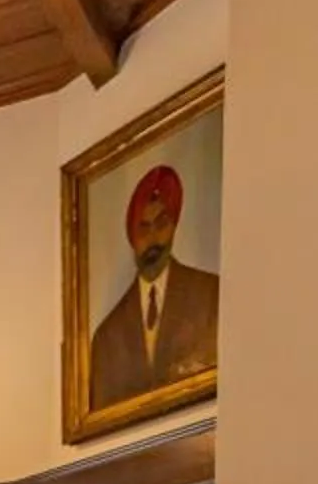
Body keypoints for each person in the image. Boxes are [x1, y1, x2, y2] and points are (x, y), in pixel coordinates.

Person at [87, 163, 220, 411]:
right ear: (132, 235)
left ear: (174, 226)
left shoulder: (210, 294)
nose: (153, 239)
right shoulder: (107, 338)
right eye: (144, 228)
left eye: (161, 224)